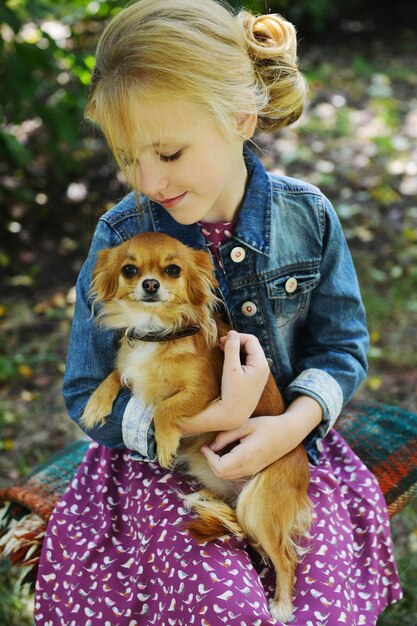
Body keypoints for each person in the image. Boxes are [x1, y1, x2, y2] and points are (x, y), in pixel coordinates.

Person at [34, 0, 402, 624]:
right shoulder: (121, 237)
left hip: (288, 448)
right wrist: (217, 414)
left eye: (169, 154)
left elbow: (340, 349)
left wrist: (287, 427)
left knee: (319, 600)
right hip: (160, 462)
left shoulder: (306, 218)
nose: (148, 180)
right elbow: (82, 390)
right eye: (128, 158)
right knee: (217, 602)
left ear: (240, 117)